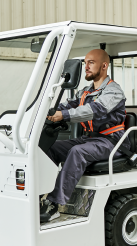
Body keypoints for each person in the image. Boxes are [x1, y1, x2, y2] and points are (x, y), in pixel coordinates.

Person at [39, 49, 127, 224]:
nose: (85, 67)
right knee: (51, 148)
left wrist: (63, 116)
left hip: (111, 142)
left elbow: (95, 110)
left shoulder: (113, 91)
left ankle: (54, 204)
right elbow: (68, 105)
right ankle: (39, 194)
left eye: (91, 63)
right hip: (90, 139)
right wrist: (46, 112)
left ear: (104, 66)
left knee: (77, 151)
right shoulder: (85, 92)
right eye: (85, 63)